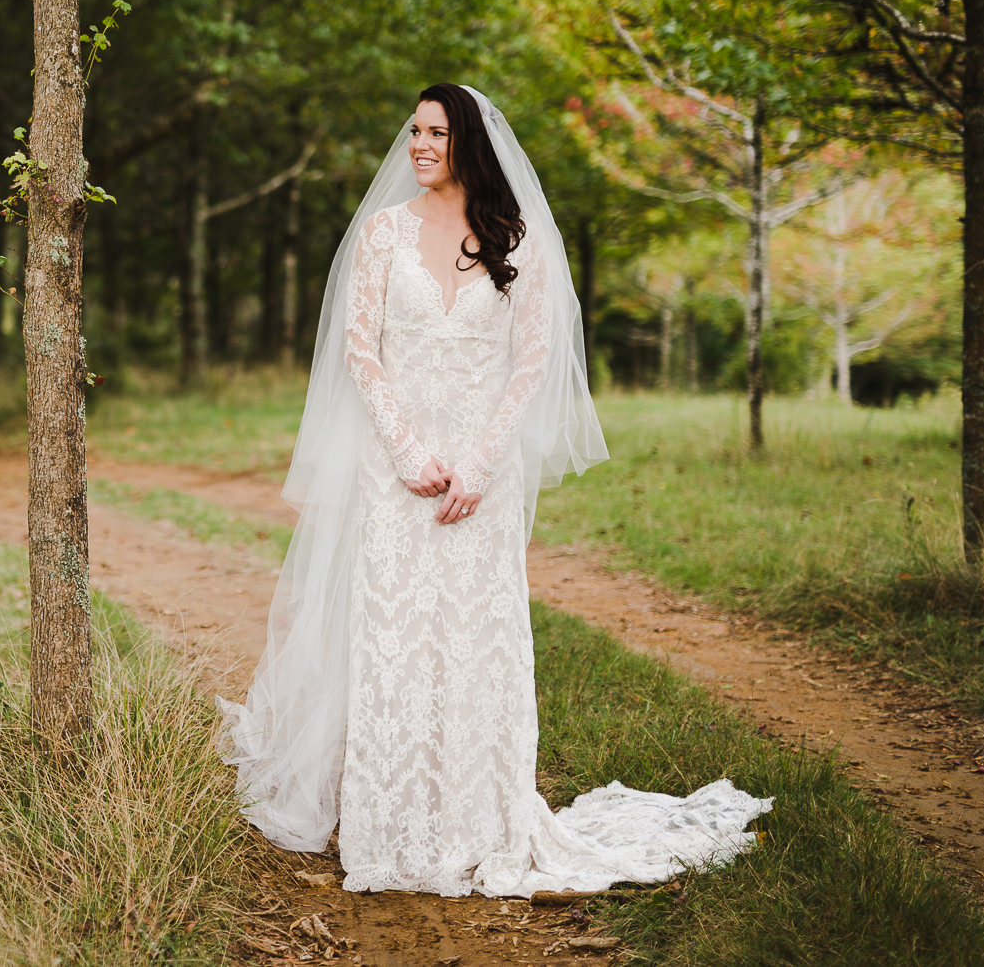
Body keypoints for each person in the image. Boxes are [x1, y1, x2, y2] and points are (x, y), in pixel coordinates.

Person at [219, 83, 770, 895]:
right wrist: (407, 451)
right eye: (413, 130)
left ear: (468, 142)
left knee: (476, 641)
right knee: (396, 640)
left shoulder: (519, 241)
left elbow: (532, 363)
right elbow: (359, 353)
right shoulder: (381, 234)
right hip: (395, 471)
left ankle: (479, 821)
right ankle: (391, 828)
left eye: (435, 132)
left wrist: (478, 465)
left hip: (484, 472)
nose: (418, 145)